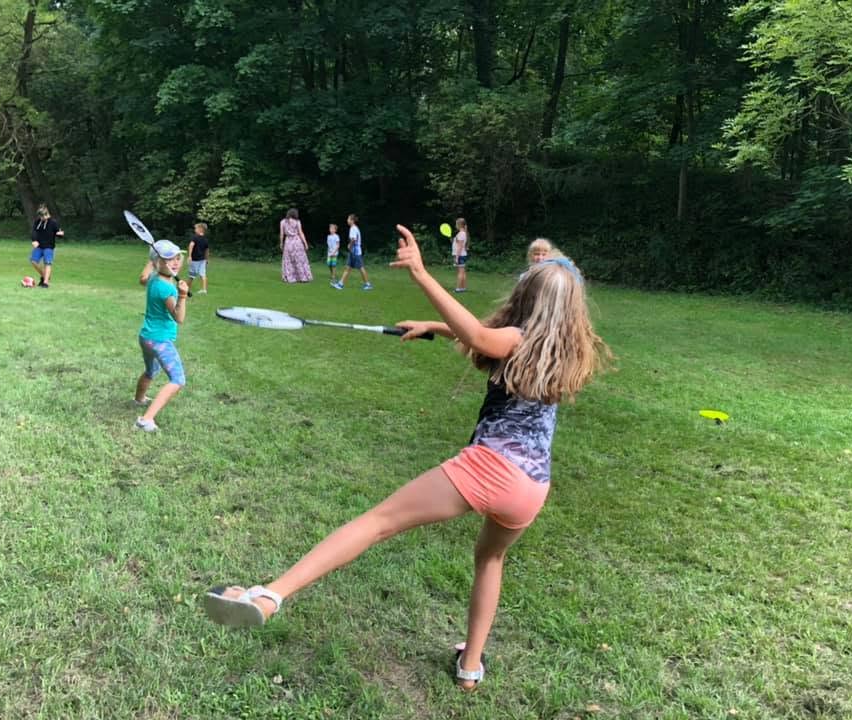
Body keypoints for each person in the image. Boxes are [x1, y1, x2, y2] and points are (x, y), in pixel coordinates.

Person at [204, 225, 612, 690]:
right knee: (490, 560)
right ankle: (470, 666)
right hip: (532, 488)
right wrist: (435, 327)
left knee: (377, 522)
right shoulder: (569, 351)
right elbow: (486, 339)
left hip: (490, 469)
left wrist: (421, 274)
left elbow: (482, 336)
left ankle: (269, 596)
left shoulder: (514, 339)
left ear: (527, 297)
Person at [133, 240, 189, 432]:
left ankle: (139, 399)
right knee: (178, 379)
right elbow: (179, 318)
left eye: (178, 258)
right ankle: (145, 420)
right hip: (159, 340)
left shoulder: (154, 279)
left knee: (151, 371)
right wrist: (182, 296)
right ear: (158, 262)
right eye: (169, 259)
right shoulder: (166, 288)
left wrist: (151, 262)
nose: (176, 262)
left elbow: (142, 278)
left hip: (146, 337)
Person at [332, 214, 372, 290]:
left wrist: (349, 246)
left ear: (352, 220)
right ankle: (340, 284)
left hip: (355, 252)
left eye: (348, 219)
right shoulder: (353, 228)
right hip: (353, 252)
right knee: (348, 268)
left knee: (361, 268)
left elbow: (353, 239)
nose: (347, 220)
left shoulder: (353, 228)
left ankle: (368, 284)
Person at [29, 205, 64, 288]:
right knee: (33, 261)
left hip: (49, 247)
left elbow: (58, 232)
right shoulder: (37, 222)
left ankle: (45, 283)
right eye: (42, 216)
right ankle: (45, 276)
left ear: (47, 214)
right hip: (39, 246)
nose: (44, 217)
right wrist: (34, 240)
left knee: (47, 263)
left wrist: (60, 234)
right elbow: (34, 231)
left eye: (45, 215)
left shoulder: (53, 222)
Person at [280, 208, 312, 283]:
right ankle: (303, 277)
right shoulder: (297, 222)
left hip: (288, 242)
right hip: (297, 242)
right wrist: (305, 243)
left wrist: (281, 243)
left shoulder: (283, 222)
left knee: (288, 260)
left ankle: (290, 277)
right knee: (300, 260)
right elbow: (301, 233)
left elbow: (282, 234)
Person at [187, 222, 210, 294]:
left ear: (200, 229)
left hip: (195, 260)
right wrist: (207, 259)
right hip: (202, 260)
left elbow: (191, 245)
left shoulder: (195, 237)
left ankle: (187, 289)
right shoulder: (205, 240)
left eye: (196, 228)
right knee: (203, 274)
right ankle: (204, 290)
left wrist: (190, 256)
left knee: (191, 275)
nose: (195, 230)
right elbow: (207, 250)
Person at [452, 217, 469, 293]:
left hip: (460, 255)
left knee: (460, 272)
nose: (455, 225)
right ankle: (463, 288)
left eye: (456, 224)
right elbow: (459, 244)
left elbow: (460, 246)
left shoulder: (461, 234)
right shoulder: (462, 233)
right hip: (462, 255)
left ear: (459, 225)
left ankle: (458, 288)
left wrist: (456, 257)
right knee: (463, 272)